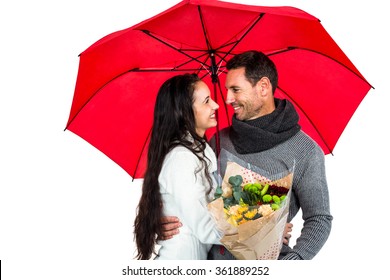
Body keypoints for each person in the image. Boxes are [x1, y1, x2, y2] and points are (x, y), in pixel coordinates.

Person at [160, 50, 333, 260]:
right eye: (226, 90)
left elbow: (319, 218)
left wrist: (294, 261)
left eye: (235, 90)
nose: (227, 99)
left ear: (263, 87)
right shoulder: (217, 141)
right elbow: (194, 202)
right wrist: (161, 221)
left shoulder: (305, 150)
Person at [133, 73, 224, 260]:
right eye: (206, 101)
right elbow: (206, 228)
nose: (216, 105)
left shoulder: (199, 151)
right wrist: (262, 231)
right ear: (184, 111)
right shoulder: (181, 159)